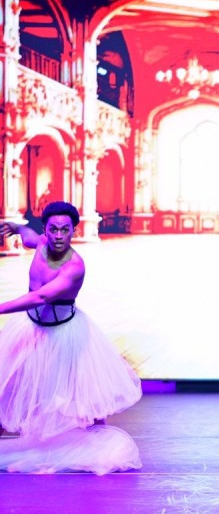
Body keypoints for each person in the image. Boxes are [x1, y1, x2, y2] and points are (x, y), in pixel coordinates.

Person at [0, 201, 142, 474]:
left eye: (65, 230)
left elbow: (41, 296)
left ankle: (98, 445)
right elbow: (29, 237)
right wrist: (17, 227)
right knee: (8, 383)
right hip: (31, 327)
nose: (58, 235)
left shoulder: (75, 266)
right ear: (46, 229)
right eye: (53, 229)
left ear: (73, 231)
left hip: (64, 334)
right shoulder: (41, 243)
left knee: (82, 396)